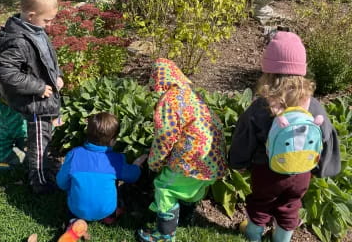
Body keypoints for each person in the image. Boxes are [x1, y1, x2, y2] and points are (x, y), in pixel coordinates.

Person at [229, 31, 341, 242]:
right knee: (290, 206)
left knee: (261, 202)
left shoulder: (261, 107)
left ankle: (253, 234)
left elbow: (245, 137)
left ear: (268, 72)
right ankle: (282, 238)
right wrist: (320, 168)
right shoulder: (314, 105)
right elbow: (326, 137)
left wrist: (239, 162)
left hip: (266, 171)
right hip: (301, 173)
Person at [137, 58, 228, 242]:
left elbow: (165, 136)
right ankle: (186, 216)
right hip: (213, 156)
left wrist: (154, 162)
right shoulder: (189, 94)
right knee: (188, 188)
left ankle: (164, 234)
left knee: (165, 188)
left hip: (192, 158)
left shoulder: (169, 101)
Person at [0, 0, 64, 194]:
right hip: (35, 100)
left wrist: (56, 75)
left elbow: (47, 57)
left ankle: (45, 167)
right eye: (47, 20)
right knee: (39, 142)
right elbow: (7, 74)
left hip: (43, 94)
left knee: (45, 136)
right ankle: (40, 182)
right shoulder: (17, 41)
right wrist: (39, 86)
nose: (50, 25)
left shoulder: (35, 30)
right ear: (31, 16)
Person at [56, 112, 146, 239]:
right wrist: (136, 166)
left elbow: (61, 183)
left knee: (75, 196)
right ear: (113, 140)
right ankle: (109, 216)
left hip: (77, 208)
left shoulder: (74, 154)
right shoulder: (116, 159)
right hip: (106, 209)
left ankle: (74, 222)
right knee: (115, 189)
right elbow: (134, 176)